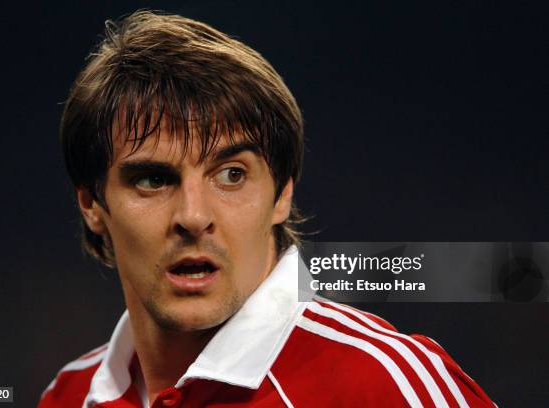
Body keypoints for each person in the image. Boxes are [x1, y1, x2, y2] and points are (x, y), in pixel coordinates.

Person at [39, 10, 494, 407]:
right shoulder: (68, 396)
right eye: (154, 179)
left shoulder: (385, 385)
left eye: (232, 174)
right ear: (92, 205)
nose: (194, 217)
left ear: (282, 195)